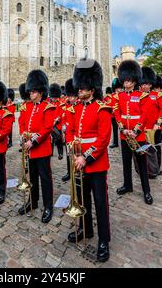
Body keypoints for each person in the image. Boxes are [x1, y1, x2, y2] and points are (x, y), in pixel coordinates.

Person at [65, 58, 112, 263]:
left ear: (91, 89)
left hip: (96, 164)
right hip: (78, 163)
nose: (79, 91)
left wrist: (86, 157)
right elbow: (71, 131)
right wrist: (75, 153)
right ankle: (86, 230)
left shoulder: (102, 108)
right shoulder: (77, 109)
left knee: (100, 203)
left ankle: (104, 240)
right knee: (82, 200)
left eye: (82, 88)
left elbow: (103, 139)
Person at [18, 70, 56, 223]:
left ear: (41, 92)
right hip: (30, 150)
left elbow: (47, 128)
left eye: (33, 91)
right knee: (32, 177)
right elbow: (21, 123)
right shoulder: (27, 107)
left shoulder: (48, 107)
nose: (31, 94)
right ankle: (32, 202)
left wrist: (32, 141)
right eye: (30, 91)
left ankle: (48, 206)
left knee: (45, 179)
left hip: (41, 149)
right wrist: (22, 135)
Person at [113, 60, 153, 205]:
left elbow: (144, 115)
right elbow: (117, 112)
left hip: (138, 135)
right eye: (124, 79)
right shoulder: (119, 96)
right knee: (126, 162)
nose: (125, 82)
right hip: (124, 135)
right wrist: (123, 129)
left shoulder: (142, 96)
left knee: (142, 163)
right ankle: (127, 185)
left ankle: (146, 190)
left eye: (128, 80)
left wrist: (135, 130)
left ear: (134, 81)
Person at [140, 67, 162, 176]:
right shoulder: (138, 97)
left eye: (147, 84)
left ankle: (157, 168)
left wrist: (158, 123)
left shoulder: (157, 96)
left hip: (155, 128)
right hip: (143, 128)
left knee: (157, 148)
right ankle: (147, 169)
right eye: (143, 84)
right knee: (146, 149)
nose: (145, 86)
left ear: (151, 84)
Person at [60, 78, 79, 182]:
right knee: (68, 154)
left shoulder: (79, 106)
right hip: (68, 134)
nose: (71, 98)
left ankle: (76, 170)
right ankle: (69, 171)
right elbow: (64, 117)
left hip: (76, 135)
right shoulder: (66, 105)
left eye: (72, 96)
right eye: (69, 96)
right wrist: (63, 128)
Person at [49, 83, 64, 160]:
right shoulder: (49, 104)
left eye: (55, 97)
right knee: (50, 139)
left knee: (59, 139)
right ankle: (50, 152)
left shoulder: (60, 104)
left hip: (57, 124)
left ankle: (60, 153)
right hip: (51, 124)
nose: (53, 99)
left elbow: (61, 113)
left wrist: (57, 119)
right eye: (52, 97)